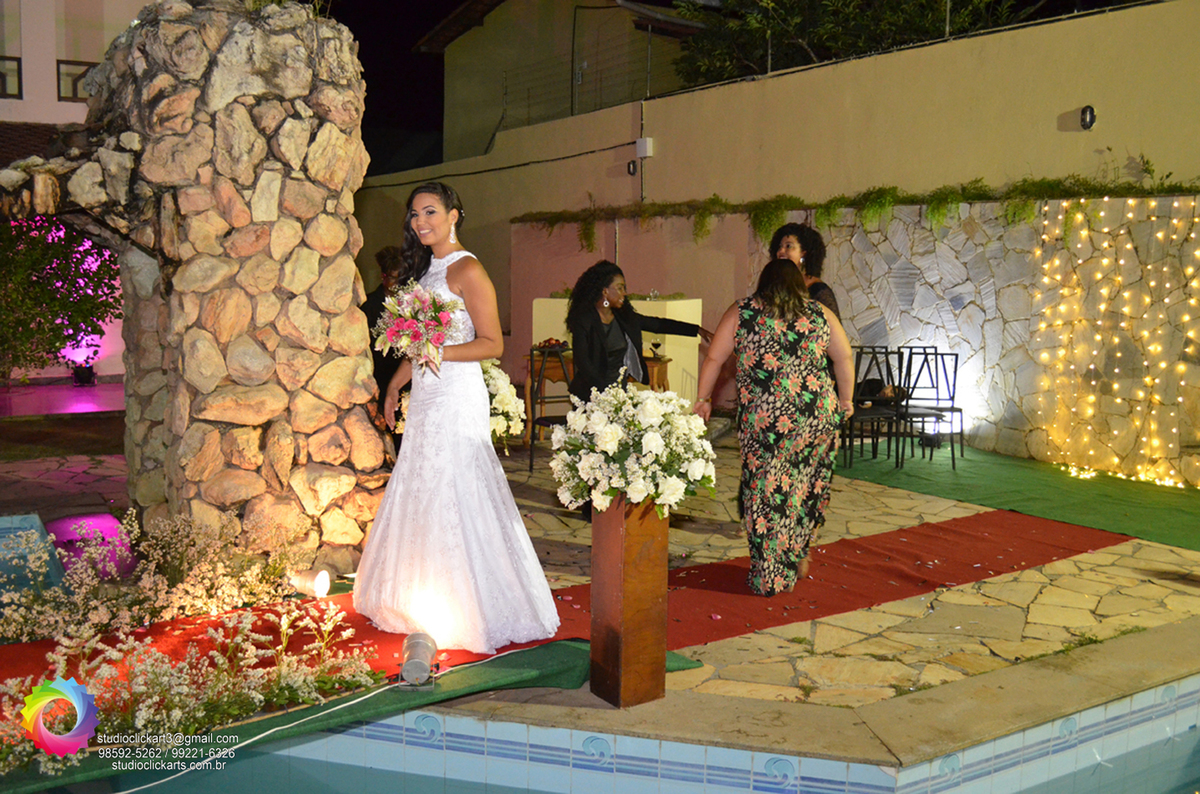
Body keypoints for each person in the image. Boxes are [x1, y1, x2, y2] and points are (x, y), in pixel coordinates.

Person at [353, 182, 560, 654]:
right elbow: (418, 342)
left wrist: (435, 351)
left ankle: (473, 603)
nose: (420, 221)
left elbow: (492, 343)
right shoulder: (427, 271)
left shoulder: (468, 269)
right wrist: (396, 384)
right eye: (414, 215)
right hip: (427, 394)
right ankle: (417, 589)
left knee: (457, 483)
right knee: (422, 480)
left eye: (430, 212)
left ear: (454, 215)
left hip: (457, 394)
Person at [693, 259, 855, 596]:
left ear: (763, 283)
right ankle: (797, 554)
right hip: (816, 417)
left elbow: (714, 359)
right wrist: (846, 400)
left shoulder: (743, 311)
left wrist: (703, 398)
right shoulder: (820, 313)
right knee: (805, 486)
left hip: (768, 423)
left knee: (767, 493)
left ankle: (770, 574)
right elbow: (843, 358)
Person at [565, 259, 712, 404]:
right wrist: (606, 395)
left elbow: (658, 325)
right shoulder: (584, 320)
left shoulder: (624, 318)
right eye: (620, 288)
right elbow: (583, 364)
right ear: (605, 291)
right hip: (591, 396)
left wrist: (697, 330)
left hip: (619, 394)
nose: (625, 293)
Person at [361, 245, 405, 452]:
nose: (400, 284)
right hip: (382, 378)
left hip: (409, 377)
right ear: (383, 277)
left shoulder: (413, 303)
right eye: (395, 278)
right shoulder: (369, 306)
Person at [769, 223, 840, 319]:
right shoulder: (775, 286)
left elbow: (833, 326)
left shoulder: (818, 290)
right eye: (779, 246)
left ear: (803, 253)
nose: (780, 251)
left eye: (788, 246)